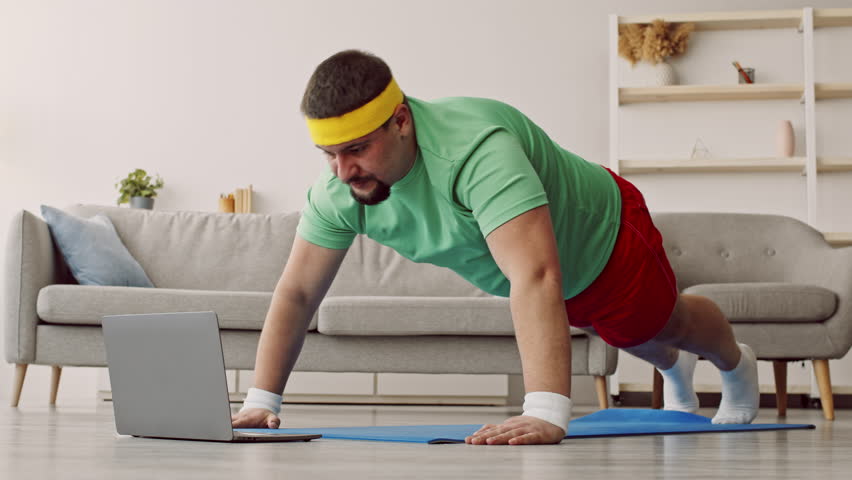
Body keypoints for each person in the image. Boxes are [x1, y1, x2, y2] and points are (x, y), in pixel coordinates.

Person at [230, 49, 759, 445]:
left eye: (357, 150)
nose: (345, 172)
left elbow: (534, 276)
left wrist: (547, 411)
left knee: (662, 325)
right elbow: (297, 293)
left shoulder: (476, 150)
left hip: (606, 237)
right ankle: (672, 367)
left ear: (401, 120)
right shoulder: (339, 192)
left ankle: (736, 363)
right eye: (329, 155)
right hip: (550, 278)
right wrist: (261, 402)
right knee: (626, 334)